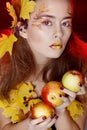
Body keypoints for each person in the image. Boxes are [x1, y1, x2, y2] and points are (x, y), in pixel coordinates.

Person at [0, 0, 87, 130]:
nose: (59, 33)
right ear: (22, 29)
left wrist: (61, 111)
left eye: (65, 23)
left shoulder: (80, 71)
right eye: (47, 22)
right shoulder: (4, 72)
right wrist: (28, 125)